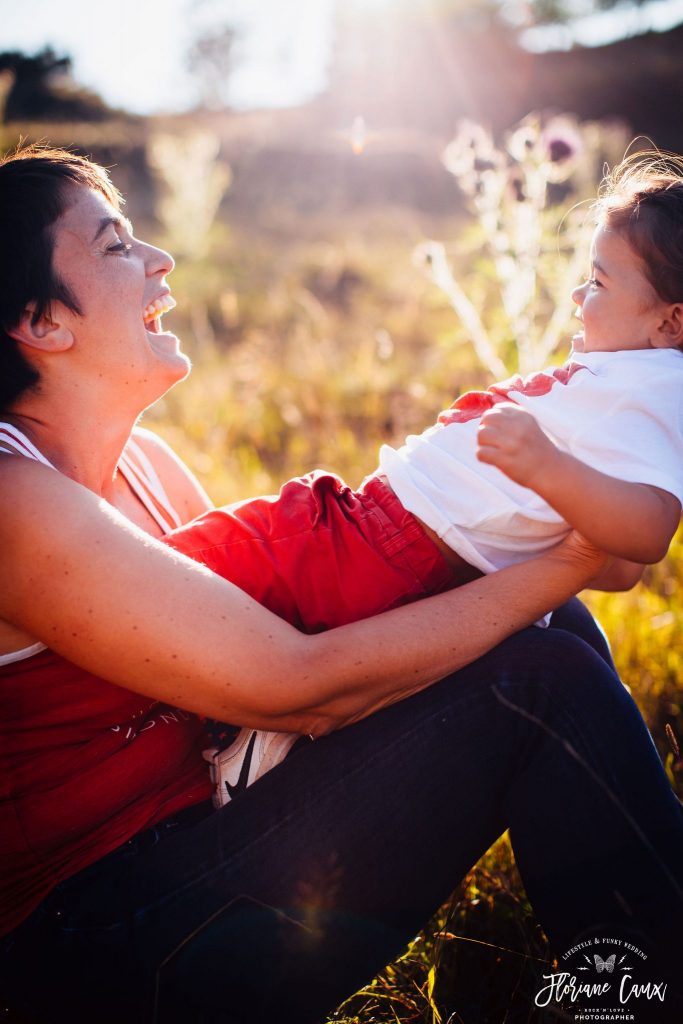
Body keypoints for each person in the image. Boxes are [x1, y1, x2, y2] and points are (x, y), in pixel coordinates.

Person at [0, 145, 681, 1024]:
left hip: (210, 832)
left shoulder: (148, 468)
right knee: (541, 681)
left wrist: (549, 547)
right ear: (40, 321)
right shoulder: (12, 500)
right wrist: (573, 552)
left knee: (549, 630)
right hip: (97, 943)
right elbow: (292, 687)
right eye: (116, 245)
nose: (159, 261)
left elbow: (255, 667)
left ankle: (643, 970)